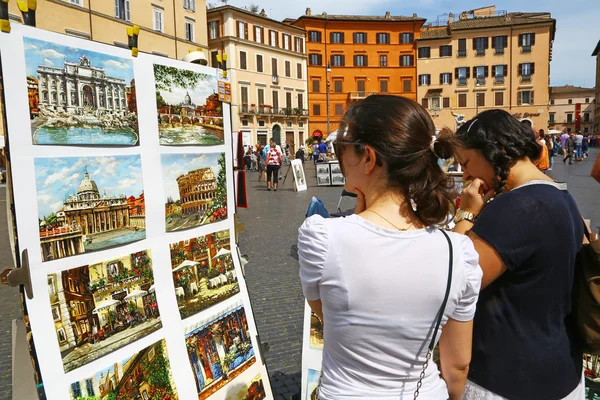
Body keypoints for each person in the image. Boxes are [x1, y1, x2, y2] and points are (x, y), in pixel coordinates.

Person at [298, 95, 483, 400]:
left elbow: (328, 318)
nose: (338, 158)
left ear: (368, 158)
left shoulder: (323, 238)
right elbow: (459, 365)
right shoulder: (459, 253)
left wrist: (358, 218)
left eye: (341, 149)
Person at [449, 110, 584, 400]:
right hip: (559, 368)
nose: (466, 174)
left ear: (494, 152)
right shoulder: (561, 195)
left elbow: (452, 280)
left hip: (509, 378)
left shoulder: (516, 207)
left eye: (467, 162)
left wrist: (467, 212)